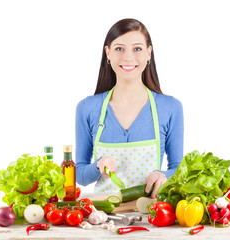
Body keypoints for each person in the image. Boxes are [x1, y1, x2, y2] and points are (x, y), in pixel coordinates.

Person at [75, 18, 183, 198]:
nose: (128, 57)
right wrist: (98, 165)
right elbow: (79, 175)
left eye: (137, 49)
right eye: (119, 48)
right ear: (107, 53)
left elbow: (179, 170)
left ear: (149, 53)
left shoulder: (170, 107)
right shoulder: (87, 108)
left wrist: (164, 175)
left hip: (152, 215)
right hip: (103, 216)